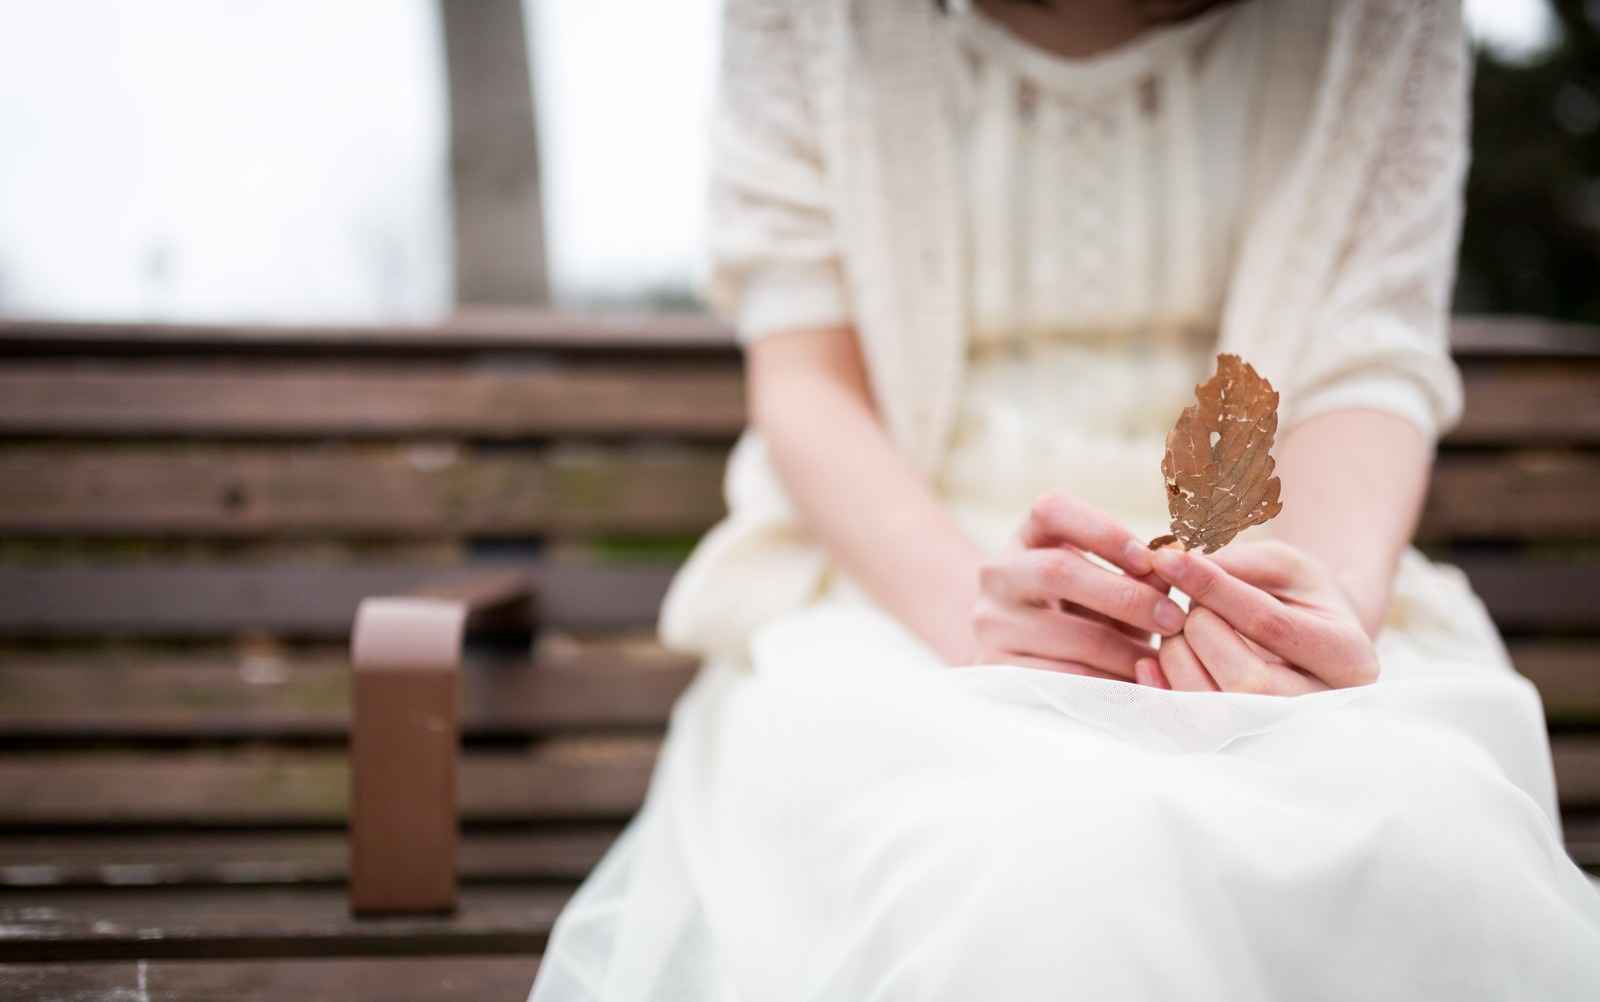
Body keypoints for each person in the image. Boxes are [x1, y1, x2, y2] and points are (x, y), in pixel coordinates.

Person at [530, 0, 1600, 998]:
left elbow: (1367, 360)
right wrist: (970, 613)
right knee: (1038, 857)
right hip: (902, 596)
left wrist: (1300, 626)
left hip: (1281, 561)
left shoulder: (1381, 20)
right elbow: (806, 378)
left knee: (1423, 832)